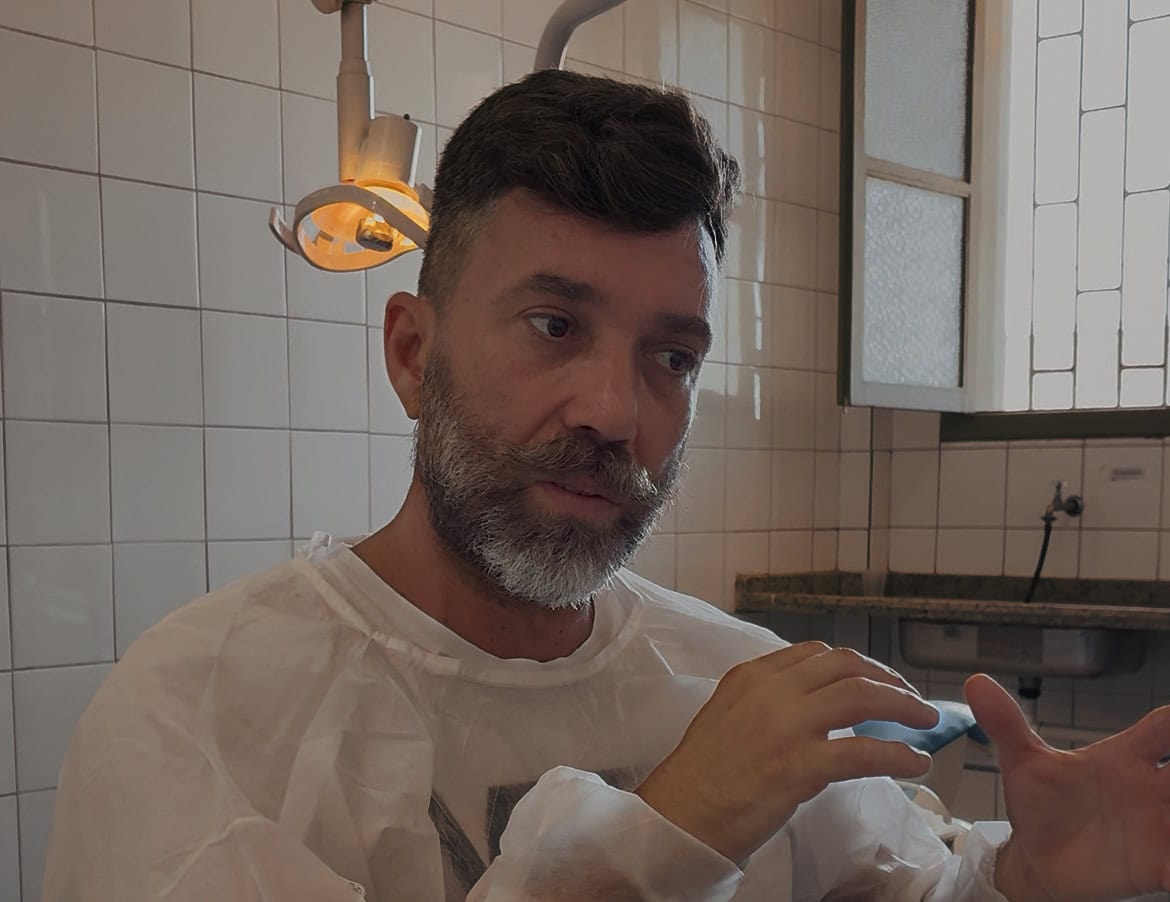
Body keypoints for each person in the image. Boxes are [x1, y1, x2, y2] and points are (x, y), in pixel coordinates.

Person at [44, 69, 1170, 901]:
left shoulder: (735, 681)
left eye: (671, 355)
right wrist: (671, 828)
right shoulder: (199, 713)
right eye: (554, 325)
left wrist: (1025, 879)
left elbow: (910, 883)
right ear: (412, 353)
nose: (616, 411)